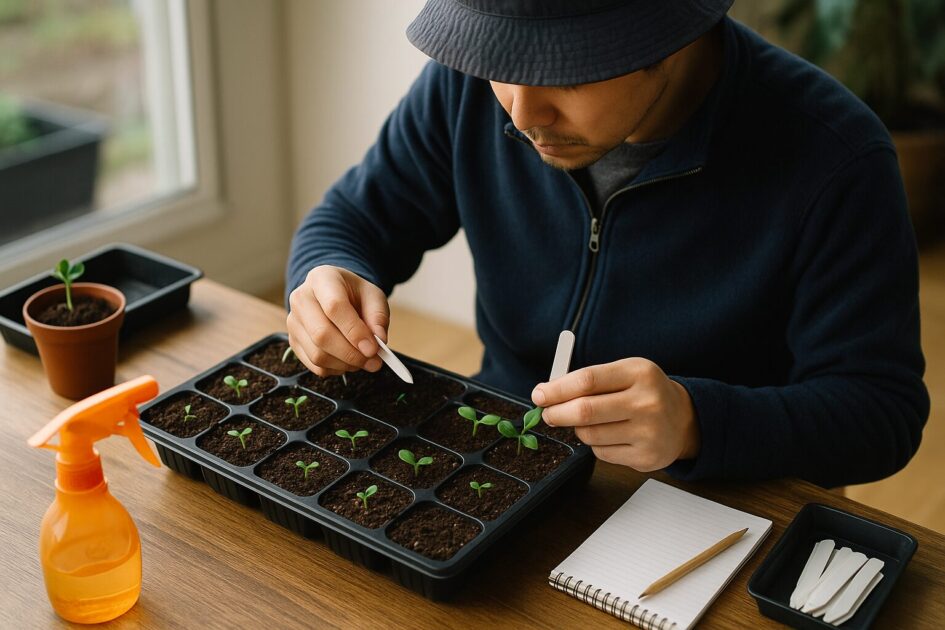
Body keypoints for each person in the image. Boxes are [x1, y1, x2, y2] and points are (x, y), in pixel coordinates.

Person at [285, 0, 929, 488]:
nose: (521, 113)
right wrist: (327, 277)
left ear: (672, 38)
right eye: (500, 67)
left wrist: (695, 420)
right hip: (504, 463)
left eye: (565, 72)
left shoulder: (835, 155)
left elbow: (879, 412)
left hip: (724, 503)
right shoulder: (467, 86)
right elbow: (354, 219)